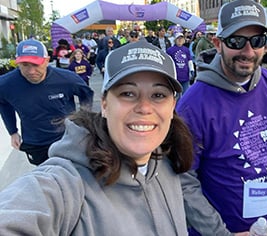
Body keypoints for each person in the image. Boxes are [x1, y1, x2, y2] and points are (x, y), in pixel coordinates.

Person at [0, 40, 196, 235]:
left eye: (158, 95)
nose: (144, 108)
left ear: (172, 107)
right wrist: (12, 131)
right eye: (128, 93)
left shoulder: (170, 160)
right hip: (37, 144)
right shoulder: (68, 184)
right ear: (104, 105)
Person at [177, 0, 267, 236]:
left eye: (257, 41)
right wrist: (219, 233)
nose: (248, 51)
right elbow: (184, 181)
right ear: (218, 43)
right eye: (237, 41)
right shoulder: (193, 105)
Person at [0, 39, 93, 165]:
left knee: (72, 174)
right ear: (18, 63)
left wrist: (84, 120)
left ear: (47, 61)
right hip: (35, 142)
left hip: (66, 139)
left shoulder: (67, 79)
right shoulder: (5, 84)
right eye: (25, 65)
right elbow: (3, 102)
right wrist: (12, 131)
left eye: (36, 65)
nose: (31, 71)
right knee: (45, 176)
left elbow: (86, 93)